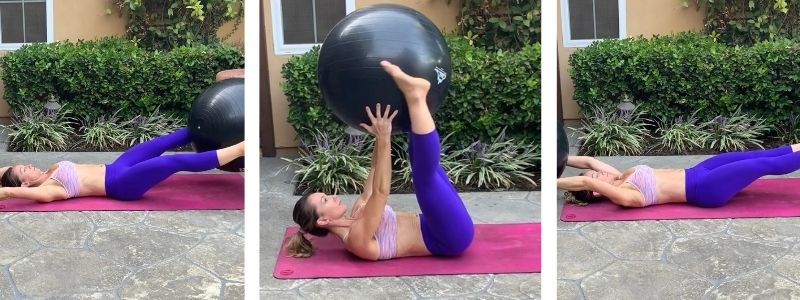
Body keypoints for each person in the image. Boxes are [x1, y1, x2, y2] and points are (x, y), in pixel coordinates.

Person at [286, 61, 474, 260]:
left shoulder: (359, 208)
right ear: (323, 220)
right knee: (423, 180)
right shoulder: (355, 239)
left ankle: (415, 100)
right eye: (325, 200)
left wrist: (379, 133)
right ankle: (417, 96)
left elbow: (376, 168)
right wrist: (385, 138)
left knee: (420, 161)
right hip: (447, 238)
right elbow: (381, 192)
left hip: (435, 222)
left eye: (326, 194)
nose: (332, 196)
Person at [0, 127, 244, 202]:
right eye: (25, 169)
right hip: (121, 184)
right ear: (25, 182)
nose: (29, 165)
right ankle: (240, 148)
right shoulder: (48, 190)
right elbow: (8, 190)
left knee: (160, 143)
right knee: (172, 161)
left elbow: (4, 175)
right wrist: (7, 191)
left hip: (116, 167)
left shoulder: (48, 172)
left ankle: (206, 124)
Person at [558, 144, 800, 208]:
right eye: (596, 177)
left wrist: (560, 158)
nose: (599, 172)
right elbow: (586, 180)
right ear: (597, 190)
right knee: (762, 164)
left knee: (751, 156)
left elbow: (589, 161)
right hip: (705, 189)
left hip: (698, 171)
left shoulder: (619, 177)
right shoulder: (625, 195)